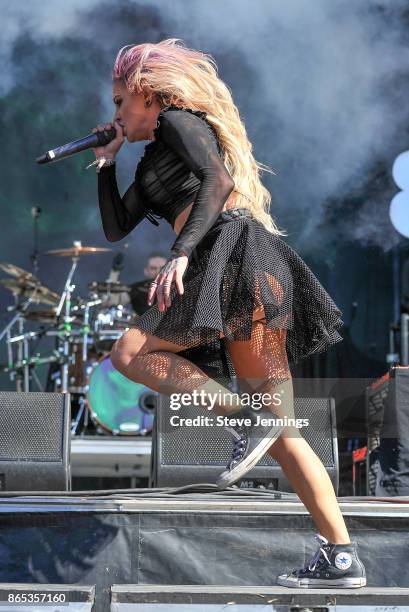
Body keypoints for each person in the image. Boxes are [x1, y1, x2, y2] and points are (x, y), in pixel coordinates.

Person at [90, 38, 366, 588]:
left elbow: (219, 181)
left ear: (149, 95)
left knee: (130, 352)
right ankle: (341, 556)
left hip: (234, 255)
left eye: (121, 101)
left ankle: (244, 420)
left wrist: (181, 253)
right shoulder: (148, 163)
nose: (116, 113)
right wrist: (106, 164)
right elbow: (117, 226)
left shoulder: (178, 120)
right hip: (246, 270)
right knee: (283, 429)